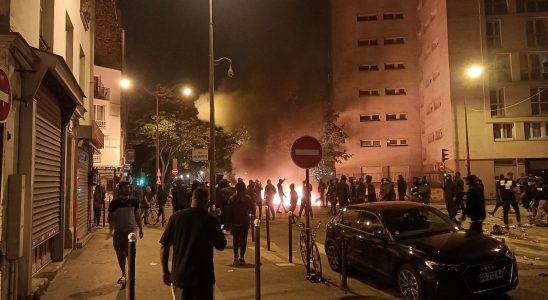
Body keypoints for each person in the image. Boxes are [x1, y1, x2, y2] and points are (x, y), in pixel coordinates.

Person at [160, 188, 227, 300]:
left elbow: (164, 246)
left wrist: (165, 271)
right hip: (204, 277)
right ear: (207, 201)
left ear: (192, 199)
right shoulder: (211, 219)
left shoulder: (176, 217)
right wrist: (218, 223)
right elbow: (221, 245)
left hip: (181, 277)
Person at [108, 182, 144, 284]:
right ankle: (123, 274)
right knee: (120, 254)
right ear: (120, 189)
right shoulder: (114, 203)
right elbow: (110, 217)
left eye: (129, 187)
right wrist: (111, 224)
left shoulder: (134, 201)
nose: (128, 189)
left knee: (131, 253)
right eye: (125, 188)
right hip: (119, 231)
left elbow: (137, 215)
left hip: (131, 230)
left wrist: (140, 228)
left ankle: (131, 274)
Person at [226, 181, 255, 265]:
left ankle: (235, 255)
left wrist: (228, 223)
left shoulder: (232, 198)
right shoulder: (248, 198)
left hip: (235, 222)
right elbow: (253, 209)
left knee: (236, 239)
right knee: (243, 239)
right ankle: (242, 257)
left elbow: (229, 212)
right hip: (244, 222)